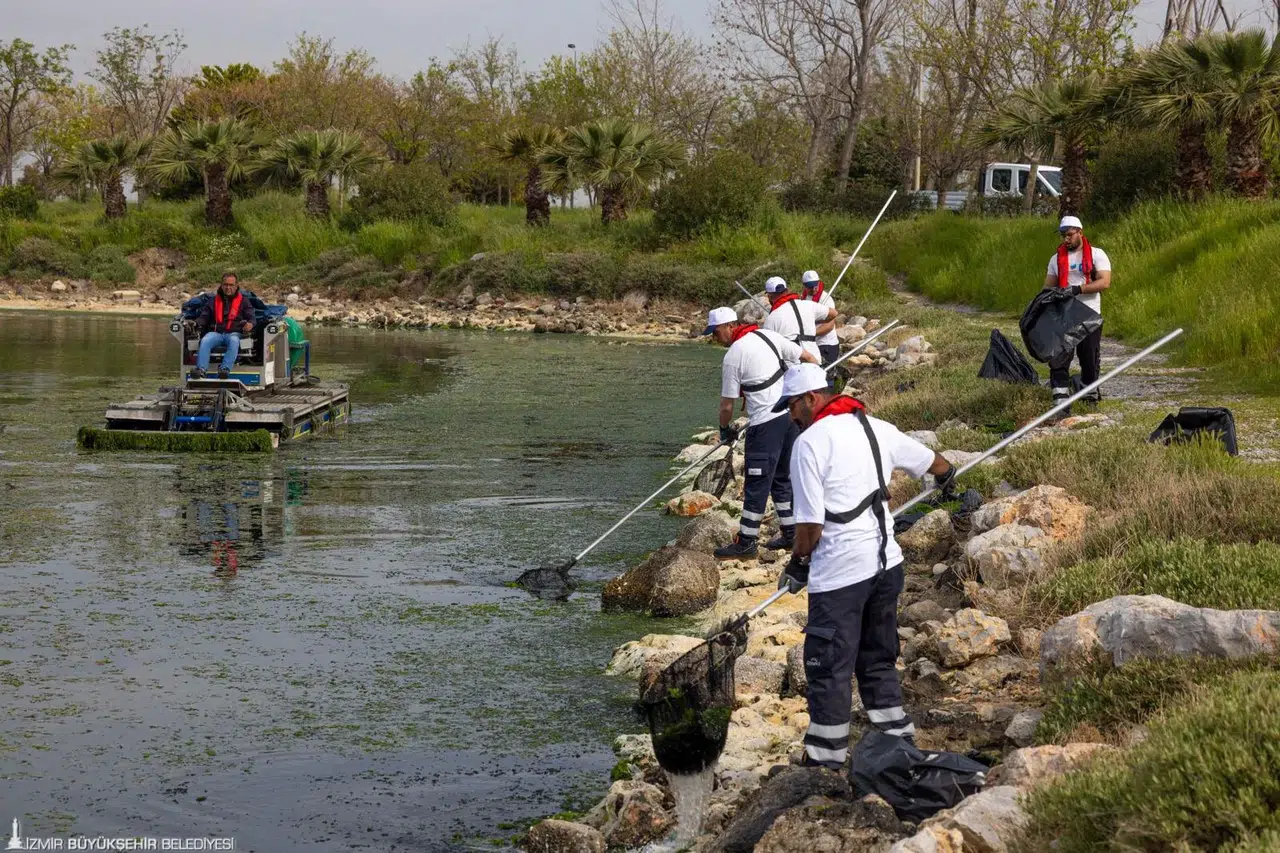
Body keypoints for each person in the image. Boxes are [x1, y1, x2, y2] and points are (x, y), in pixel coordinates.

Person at [772, 363, 957, 769]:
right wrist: (950, 483)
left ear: (811, 399)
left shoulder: (809, 444)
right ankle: (899, 743)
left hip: (840, 574)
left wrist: (797, 562)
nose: (791, 416)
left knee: (829, 664)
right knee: (876, 657)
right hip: (887, 566)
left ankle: (825, 759)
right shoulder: (876, 427)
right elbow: (937, 464)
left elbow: (809, 527)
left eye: (792, 406)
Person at [703, 306, 821, 559]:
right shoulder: (770, 336)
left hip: (765, 424)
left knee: (757, 483)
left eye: (715, 332)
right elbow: (811, 359)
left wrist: (725, 430)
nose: (714, 338)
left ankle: (746, 541)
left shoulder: (734, 356)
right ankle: (791, 534)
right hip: (791, 419)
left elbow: (727, 405)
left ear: (730, 327)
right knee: (782, 478)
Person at [1044, 215, 1111, 414]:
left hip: (1090, 313)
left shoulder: (1097, 254)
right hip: (1064, 315)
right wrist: (1052, 297)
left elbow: (1104, 282)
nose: (1066, 239)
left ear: (1080, 232)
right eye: (1063, 235)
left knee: (1089, 357)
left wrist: (1077, 290)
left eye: (1070, 235)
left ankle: (1089, 394)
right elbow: (1048, 286)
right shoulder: (1056, 259)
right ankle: (1060, 400)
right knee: (1059, 356)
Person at [193, 272, 255, 379]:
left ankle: (224, 369)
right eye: (225, 285)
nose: (228, 287)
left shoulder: (244, 302)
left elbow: (252, 319)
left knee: (234, 340)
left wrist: (250, 325)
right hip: (217, 333)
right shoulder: (212, 302)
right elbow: (204, 317)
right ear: (221, 286)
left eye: (231, 285)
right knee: (206, 339)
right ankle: (201, 369)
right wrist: (195, 323)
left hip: (235, 334)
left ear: (236, 286)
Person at [761, 275, 836, 362]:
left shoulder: (771, 318)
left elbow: (769, 349)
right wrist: (812, 321)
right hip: (814, 358)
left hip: (793, 364)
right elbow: (834, 313)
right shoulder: (807, 304)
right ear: (787, 290)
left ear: (769, 296)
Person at [801, 270, 841, 367]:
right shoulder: (804, 298)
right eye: (810, 286)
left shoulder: (826, 299)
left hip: (827, 344)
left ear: (819, 282)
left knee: (828, 374)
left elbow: (830, 326)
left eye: (815, 285)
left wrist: (810, 334)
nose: (814, 289)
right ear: (804, 286)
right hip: (813, 344)